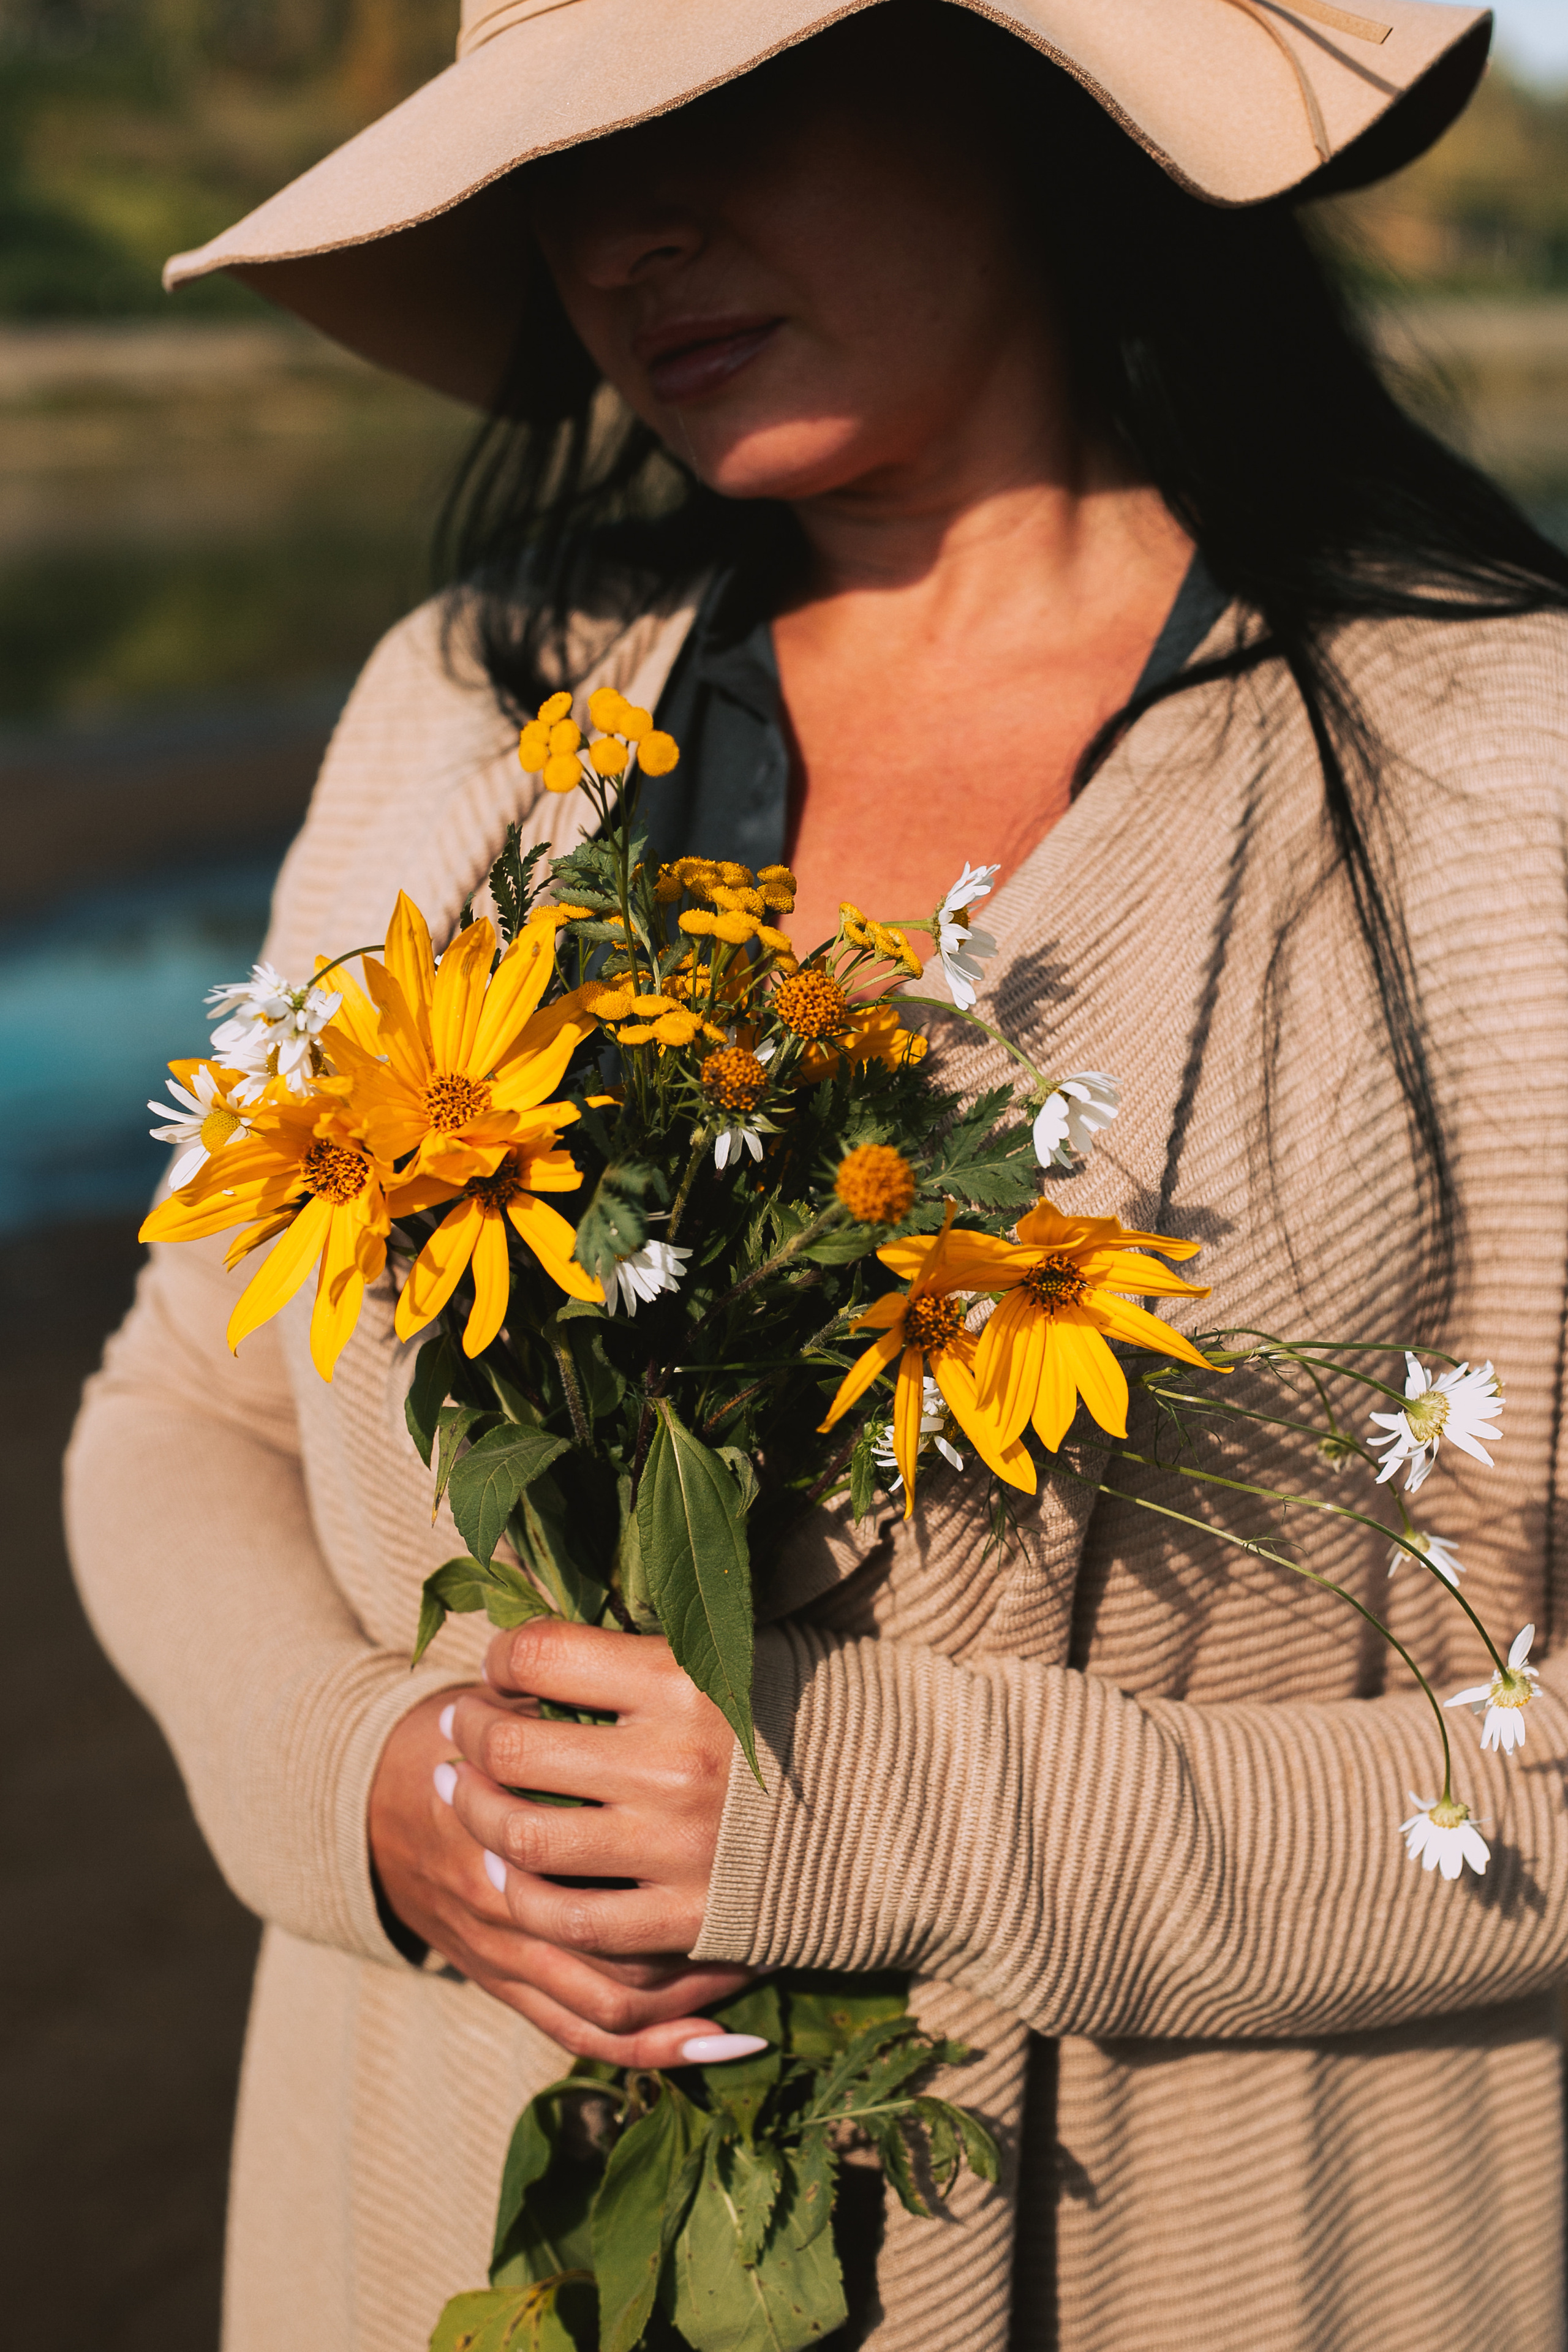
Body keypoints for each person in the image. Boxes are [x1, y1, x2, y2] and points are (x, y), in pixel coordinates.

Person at [65, 2, 1568, 2347]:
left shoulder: (1496, 782)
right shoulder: (476, 713)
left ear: (1031, 87)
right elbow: (178, 1416)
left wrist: (882, 1807)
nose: (621, 225)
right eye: (558, 156)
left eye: (716, 102)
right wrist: (362, 1778)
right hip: (423, 2239)